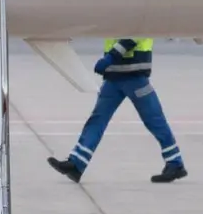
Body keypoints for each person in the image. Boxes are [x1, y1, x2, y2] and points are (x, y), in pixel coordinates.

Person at [46, 38, 187, 183]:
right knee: (97, 120)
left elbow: (134, 33)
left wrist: (111, 56)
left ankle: (175, 163)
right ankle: (76, 163)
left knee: (154, 120)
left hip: (135, 77)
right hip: (113, 78)